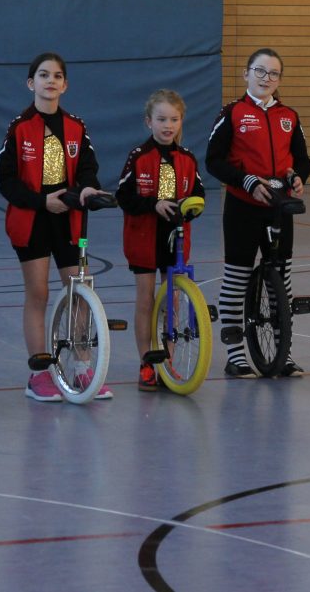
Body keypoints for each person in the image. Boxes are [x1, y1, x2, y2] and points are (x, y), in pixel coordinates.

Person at [0, 52, 113, 402]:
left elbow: (88, 168)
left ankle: (81, 368)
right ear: (31, 83)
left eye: (57, 76)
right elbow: (7, 181)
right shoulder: (19, 128)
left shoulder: (77, 127)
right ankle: (39, 372)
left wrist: (87, 187)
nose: (51, 81)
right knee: (39, 294)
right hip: (33, 219)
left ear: (65, 84)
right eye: (43, 75)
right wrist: (40, 201)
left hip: (69, 219)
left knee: (79, 290)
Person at [205, 47, 310, 378]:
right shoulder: (232, 113)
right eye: (260, 71)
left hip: (279, 208)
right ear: (246, 74)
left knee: (284, 280)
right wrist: (246, 180)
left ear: (280, 79)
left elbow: (302, 159)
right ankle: (236, 354)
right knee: (237, 280)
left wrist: (297, 177)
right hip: (243, 207)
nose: (266, 78)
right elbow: (214, 161)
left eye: (273, 73)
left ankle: (285, 354)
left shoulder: (289, 116)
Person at [117, 89, 205, 392]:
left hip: (176, 241)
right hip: (144, 239)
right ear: (148, 122)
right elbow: (123, 196)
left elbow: (199, 194)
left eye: (174, 119)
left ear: (181, 122)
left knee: (172, 302)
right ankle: (146, 361)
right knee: (146, 299)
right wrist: (153, 204)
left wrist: (189, 209)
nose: (168, 125)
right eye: (162, 119)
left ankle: (166, 360)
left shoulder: (188, 159)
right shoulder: (139, 157)